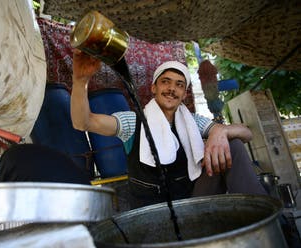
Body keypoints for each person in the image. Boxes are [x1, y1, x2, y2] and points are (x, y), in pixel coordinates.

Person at [71, 49, 267, 209]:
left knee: (234, 145)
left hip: (191, 203)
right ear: (153, 88)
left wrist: (220, 131)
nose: (172, 89)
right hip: (150, 214)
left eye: (179, 85)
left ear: (183, 94)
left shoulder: (193, 122)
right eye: (166, 82)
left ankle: (261, 216)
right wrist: (80, 81)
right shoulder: (133, 122)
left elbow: (246, 132)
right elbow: (83, 122)